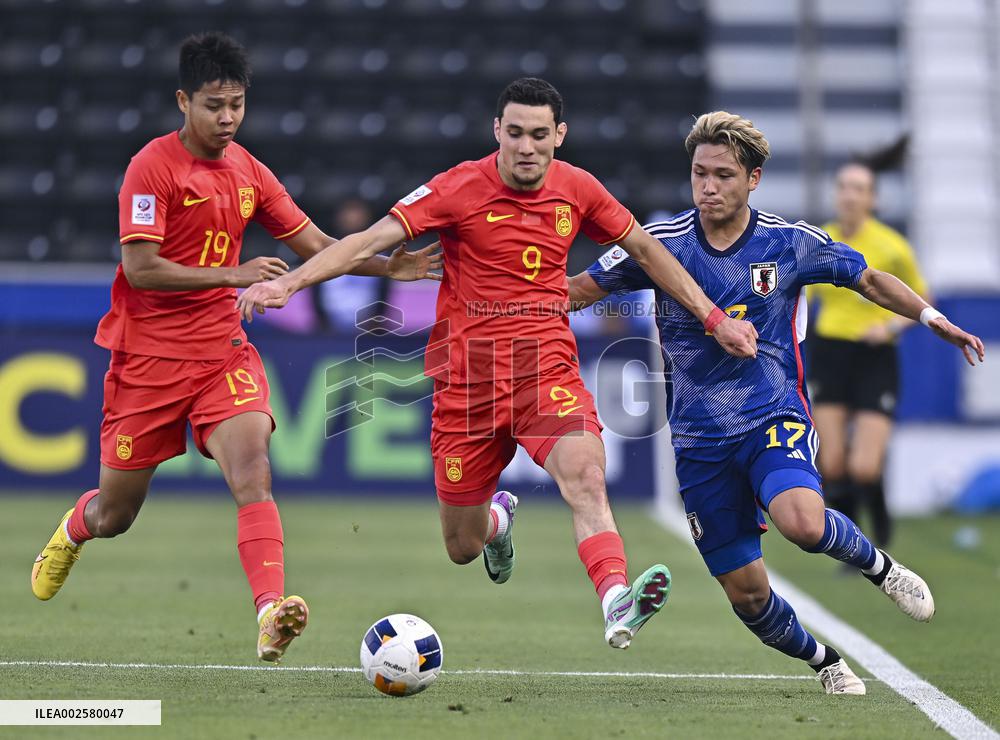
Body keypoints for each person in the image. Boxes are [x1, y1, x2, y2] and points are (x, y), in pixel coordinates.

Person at [237, 78, 759, 649]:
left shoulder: (578, 188)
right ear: (497, 131)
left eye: (538, 134)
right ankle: (497, 524)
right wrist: (290, 282)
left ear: (559, 135)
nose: (526, 147)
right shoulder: (457, 187)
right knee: (462, 545)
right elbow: (365, 241)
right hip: (467, 387)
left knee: (585, 476)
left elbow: (647, 250)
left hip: (545, 371)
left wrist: (714, 318)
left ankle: (616, 598)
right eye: (515, 133)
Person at [29, 32, 441, 662]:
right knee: (116, 514)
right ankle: (73, 529)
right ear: (183, 101)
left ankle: (270, 611)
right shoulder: (151, 168)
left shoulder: (248, 169)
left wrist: (389, 268)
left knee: (253, 473)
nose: (227, 118)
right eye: (214, 105)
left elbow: (315, 244)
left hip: (222, 351)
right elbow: (141, 268)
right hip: (148, 359)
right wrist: (234, 273)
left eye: (237, 105)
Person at [567, 111, 984, 689]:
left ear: (754, 179)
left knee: (803, 523)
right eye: (699, 174)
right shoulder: (660, 246)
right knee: (748, 596)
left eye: (723, 175)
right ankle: (825, 662)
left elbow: (867, 278)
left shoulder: (788, 243)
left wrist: (932, 318)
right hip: (697, 440)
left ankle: (880, 567)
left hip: (771, 413)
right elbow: (576, 291)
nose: (708, 187)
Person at [807, 150, 929, 547]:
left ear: (873, 198)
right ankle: (851, 544)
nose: (849, 195)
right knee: (831, 464)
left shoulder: (892, 246)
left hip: (874, 356)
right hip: (829, 353)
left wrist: (890, 326)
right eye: (844, 187)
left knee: (863, 466)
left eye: (859, 188)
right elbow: (800, 296)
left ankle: (881, 524)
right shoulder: (819, 241)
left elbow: (921, 301)